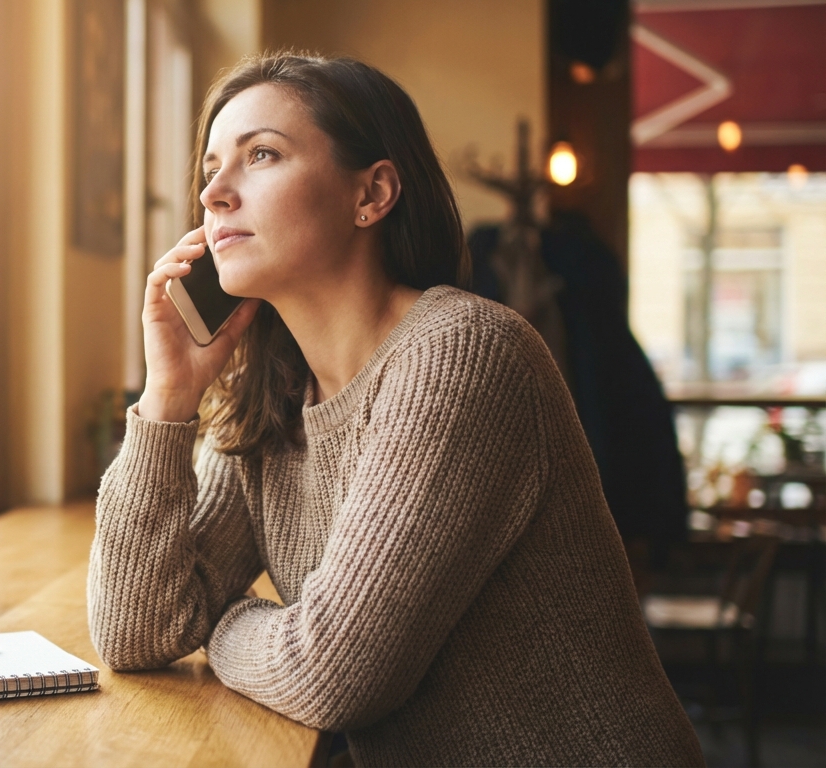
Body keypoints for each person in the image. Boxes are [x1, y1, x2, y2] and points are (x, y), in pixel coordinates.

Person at [86, 52, 703, 766]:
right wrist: (167, 399)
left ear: (372, 193)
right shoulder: (272, 396)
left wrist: (219, 624)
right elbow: (135, 631)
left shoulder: (462, 353)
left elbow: (330, 675)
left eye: (261, 155)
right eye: (211, 169)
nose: (215, 194)